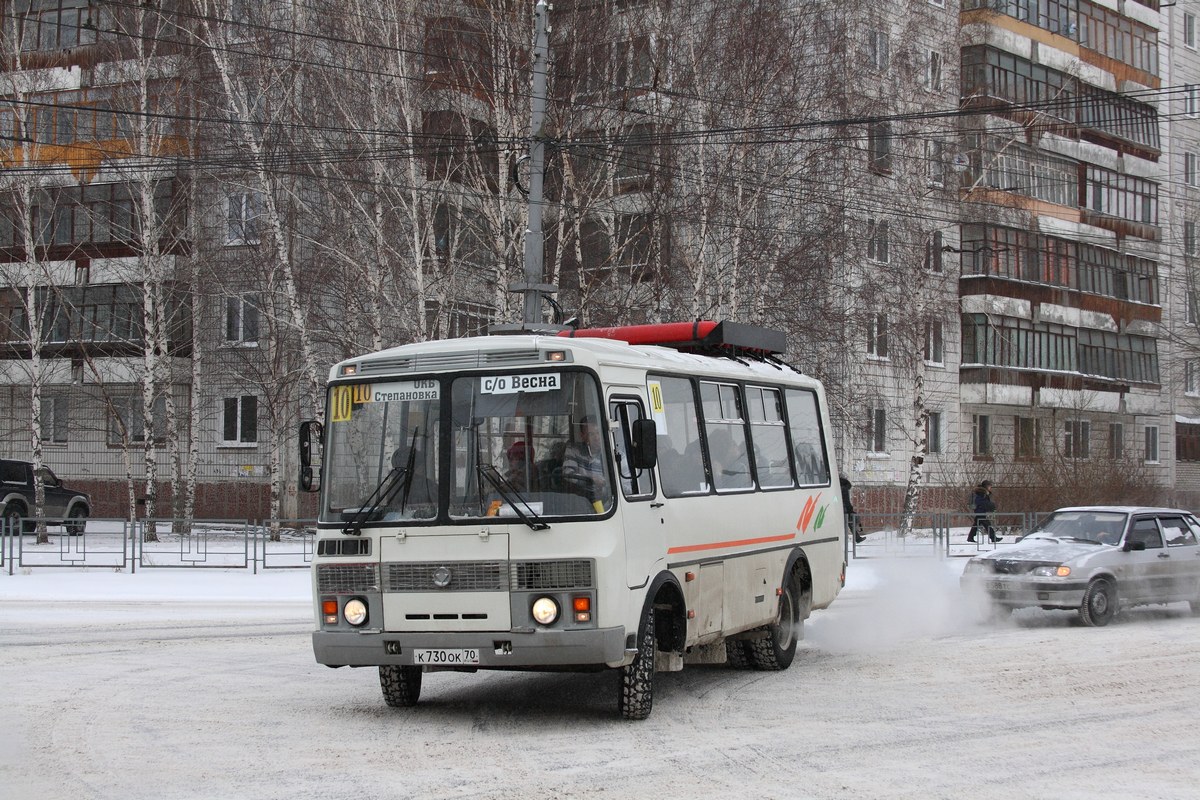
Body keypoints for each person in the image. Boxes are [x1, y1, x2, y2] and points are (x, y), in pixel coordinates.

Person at [561, 415, 609, 504]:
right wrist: (590, 480)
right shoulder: (573, 449)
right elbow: (567, 474)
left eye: (598, 433)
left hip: (608, 502)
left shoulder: (612, 453)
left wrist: (605, 486)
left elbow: (625, 485)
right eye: (591, 434)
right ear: (582, 436)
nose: (597, 438)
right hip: (580, 500)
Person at [841, 475, 865, 544]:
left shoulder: (838, 487)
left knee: (850, 524)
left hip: (840, 509)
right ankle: (857, 538)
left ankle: (857, 538)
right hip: (844, 510)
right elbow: (846, 501)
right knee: (851, 523)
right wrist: (850, 509)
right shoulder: (844, 489)